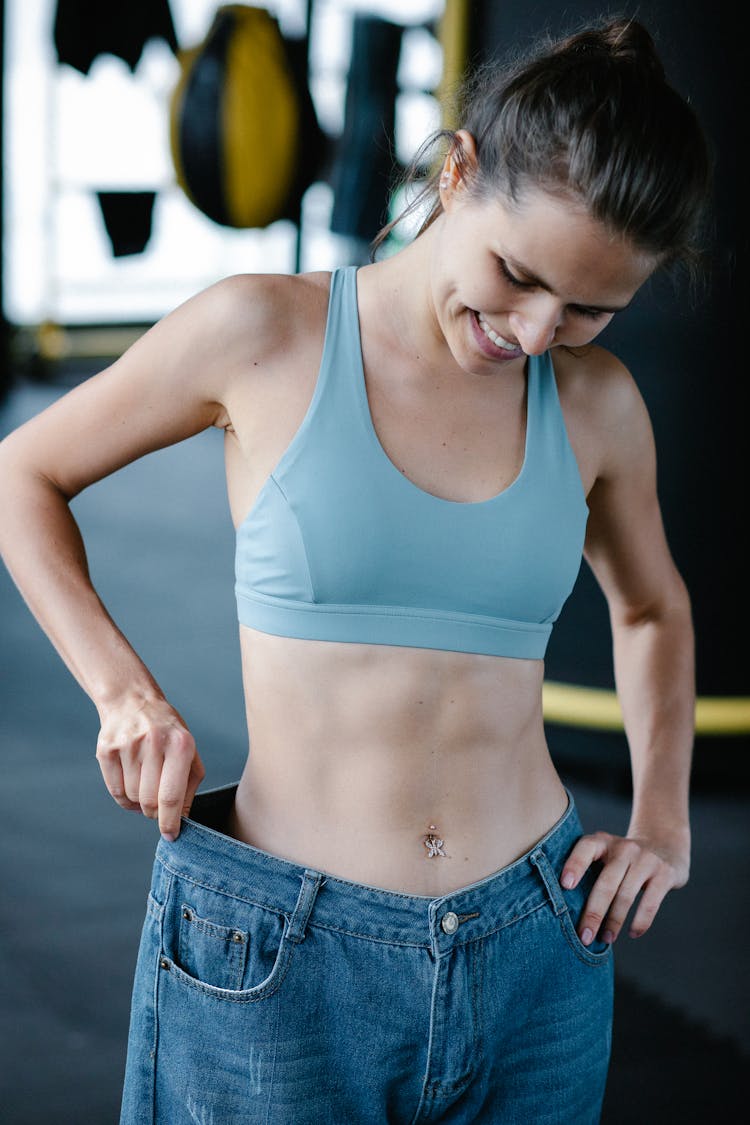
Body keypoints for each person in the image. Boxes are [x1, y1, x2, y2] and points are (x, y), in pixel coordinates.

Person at [0, 15, 711, 1125]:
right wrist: (121, 692)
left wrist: (662, 820)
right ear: (460, 169)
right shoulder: (261, 332)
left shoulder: (600, 404)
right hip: (280, 958)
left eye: (586, 309)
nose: (533, 331)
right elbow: (21, 476)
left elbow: (654, 607)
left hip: (538, 950)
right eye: (517, 276)